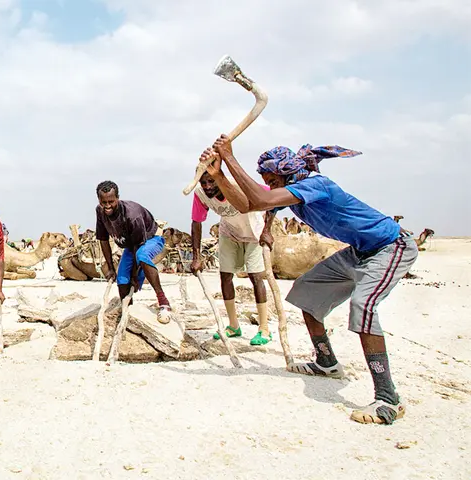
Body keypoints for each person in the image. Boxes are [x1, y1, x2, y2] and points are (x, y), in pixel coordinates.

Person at [205, 134, 417, 426]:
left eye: (272, 178)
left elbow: (261, 198)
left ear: (286, 173)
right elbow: (248, 205)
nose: (269, 183)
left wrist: (229, 157)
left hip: (390, 246)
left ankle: (388, 398)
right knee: (306, 292)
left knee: (364, 306)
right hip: (358, 252)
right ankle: (326, 362)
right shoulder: (292, 191)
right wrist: (219, 175)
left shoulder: (317, 185)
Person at [190, 170, 275, 345]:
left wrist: (267, 230)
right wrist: (196, 257)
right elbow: (196, 223)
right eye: (203, 183)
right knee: (225, 275)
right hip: (229, 232)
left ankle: (264, 328)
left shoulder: (238, 184)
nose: (207, 187)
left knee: (256, 276)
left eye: (211, 182)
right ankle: (233, 325)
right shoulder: (200, 194)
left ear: (219, 178)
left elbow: (273, 197)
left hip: (253, 231)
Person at [95, 181, 172, 323]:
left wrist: (135, 275)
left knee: (141, 256)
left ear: (118, 197)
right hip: (131, 246)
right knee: (122, 279)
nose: (107, 206)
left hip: (150, 239)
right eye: (103, 202)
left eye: (111, 201)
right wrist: (111, 269)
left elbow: (139, 246)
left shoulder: (132, 215)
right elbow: (103, 240)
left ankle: (163, 301)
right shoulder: (100, 211)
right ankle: (127, 312)